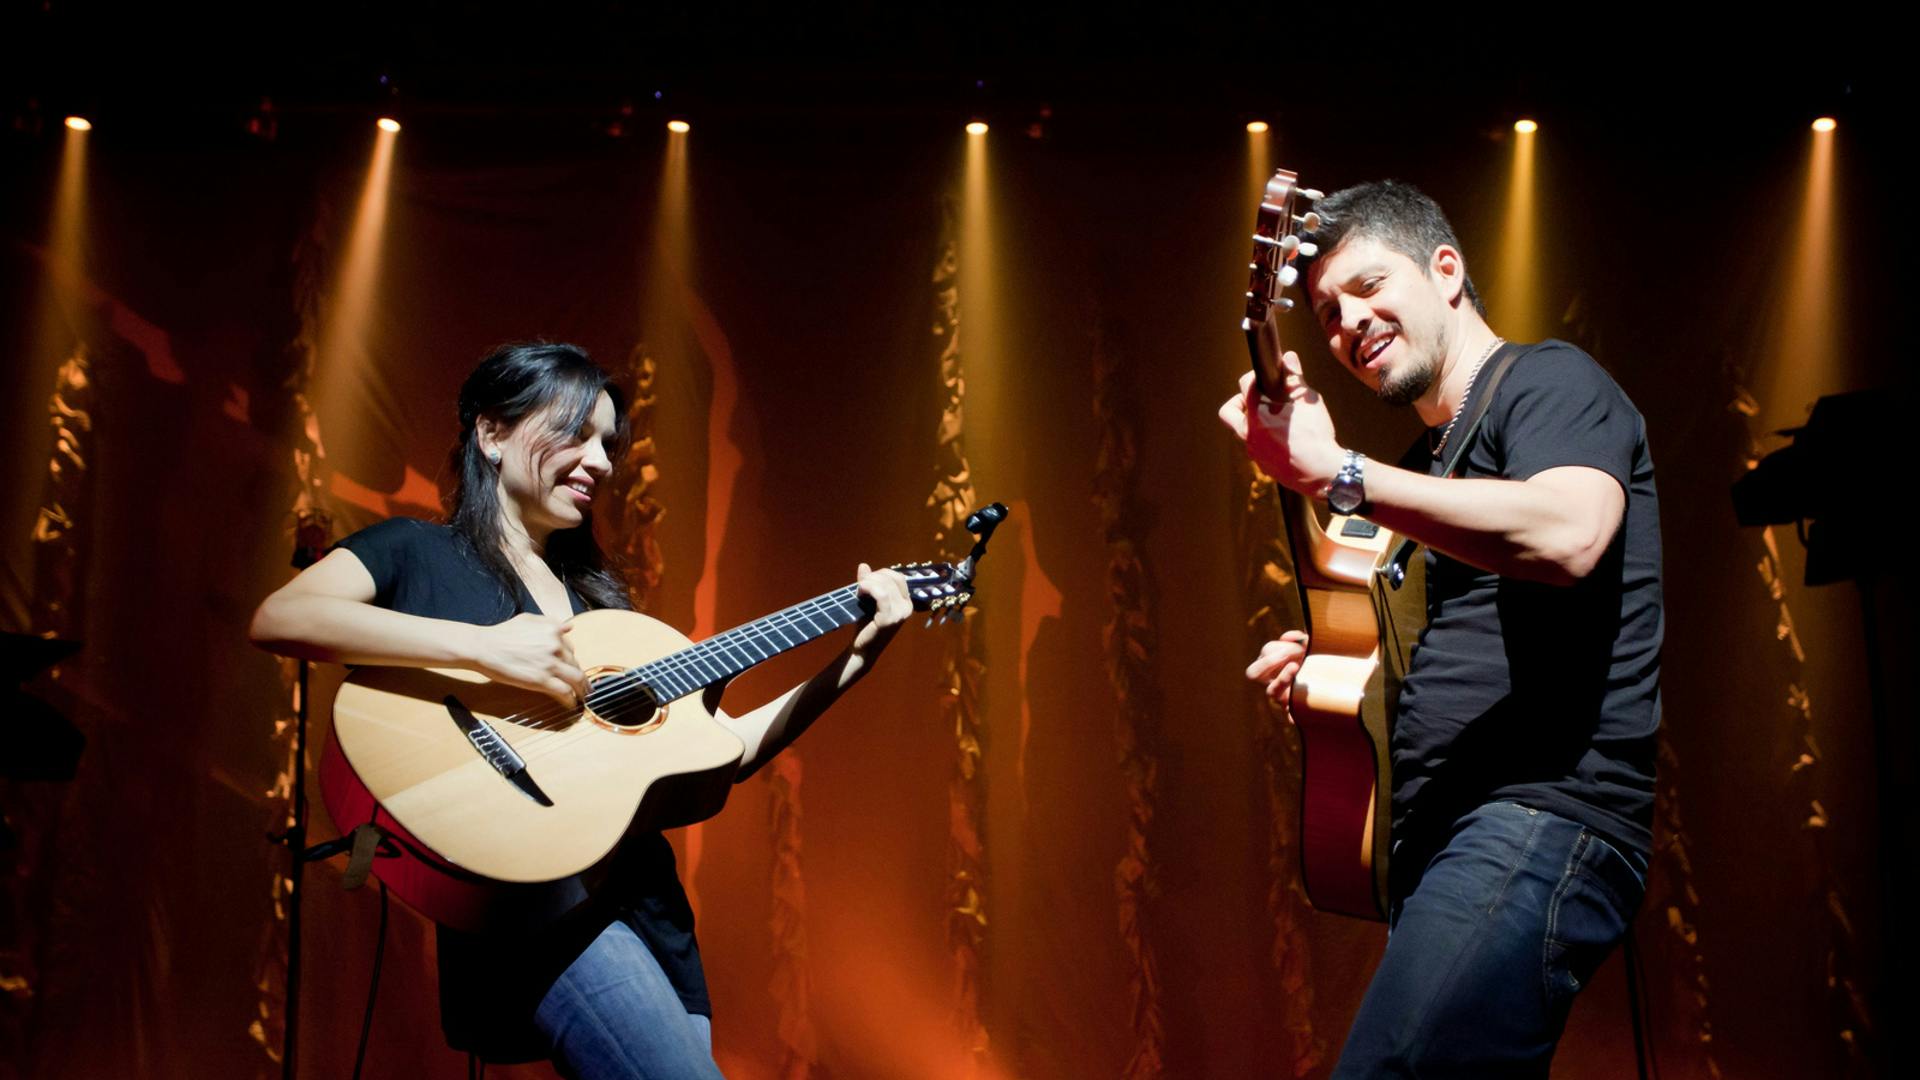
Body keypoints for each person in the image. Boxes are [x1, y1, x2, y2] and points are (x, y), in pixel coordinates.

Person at [250, 341, 912, 1079]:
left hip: (648, 913)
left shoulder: (606, 613)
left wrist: (857, 658)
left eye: (607, 444)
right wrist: (486, 650)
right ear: (492, 432)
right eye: (574, 433)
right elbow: (284, 616)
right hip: (537, 914)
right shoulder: (416, 552)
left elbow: (727, 751)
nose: (600, 461)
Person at [1218, 181, 1662, 1077]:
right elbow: (1455, 629)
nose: (1349, 322)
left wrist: (1342, 472)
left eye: (1371, 286)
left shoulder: (1548, 381)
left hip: (1538, 816)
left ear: (1446, 271)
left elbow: (1570, 534)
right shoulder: (1428, 471)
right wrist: (1344, 666)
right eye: (1329, 312)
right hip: (1450, 844)